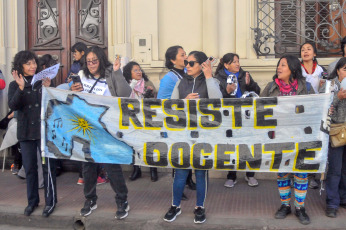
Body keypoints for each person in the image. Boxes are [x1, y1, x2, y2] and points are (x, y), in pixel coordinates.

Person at [70, 46, 132, 219]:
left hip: (107, 127)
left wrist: (118, 73)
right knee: (88, 165)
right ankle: (90, 199)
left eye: (94, 61)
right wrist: (72, 91)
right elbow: (73, 99)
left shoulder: (111, 73)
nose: (91, 64)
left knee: (111, 165)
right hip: (87, 126)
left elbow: (126, 94)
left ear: (101, 60)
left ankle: (122, 200)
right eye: (88, 61)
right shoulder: (81, 75)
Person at [163, 51, 222, 224]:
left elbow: (218, 101)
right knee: (180, 172)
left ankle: (200, 207)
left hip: (204, 136)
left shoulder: (212, 81)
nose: (187, 66)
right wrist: (184, 101)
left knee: (201, 173)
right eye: (186, 62)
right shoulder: (181, 82)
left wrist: (209, 76)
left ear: (202, 65)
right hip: (183, 134)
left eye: (191, 63)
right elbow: (171, 107)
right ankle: (175, 206)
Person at [261, 55, 315, 225]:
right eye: (278, 65)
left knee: (300, 172)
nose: (279, 67)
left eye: (283, 65)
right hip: (279, 137)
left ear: (292, 68)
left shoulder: (306, 87)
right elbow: (259, 107)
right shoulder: (270, 88)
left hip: (300, 137)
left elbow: (315, 108)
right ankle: (285, 205)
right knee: (283, 172)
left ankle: (300, 207)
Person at [8, 50, 57, 217]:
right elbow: (13, 106)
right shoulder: (14, 84)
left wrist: (49, 89)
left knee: (47, 168)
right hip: (26, 132)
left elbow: (54, 105)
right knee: (29, 169)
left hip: (43, 131)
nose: (32, 66)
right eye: (28, 63)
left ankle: (50, 202)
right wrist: (21, 88)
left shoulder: (42, 81)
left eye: (34, 63)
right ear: (20, 66)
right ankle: (32, 201)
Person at [214, 53, 261, 188]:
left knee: (249, 144)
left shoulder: (244, 74)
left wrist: (250, 83)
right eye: (234, 62)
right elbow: (215, 99)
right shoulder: (218, 78)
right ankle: (231, 176)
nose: (237, 64)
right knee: (231, 145)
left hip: (247, 116)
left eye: (238, 61)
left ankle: (250, 174)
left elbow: (257, 91)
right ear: (226, 64)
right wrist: (226, 92)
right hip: (229, 117)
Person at [157, 45, 196, 198]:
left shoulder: (187, 73)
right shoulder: (169, 78)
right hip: (175, 121)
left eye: (185, 53)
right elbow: (161, 102)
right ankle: (178, 186)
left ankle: (188, 180)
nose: (186, 57)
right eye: (182, 55)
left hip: (188, 120)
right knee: (178, 154)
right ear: (173, 60)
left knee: (189, 151)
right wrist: (182, 101)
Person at [122, 61, 158, 182]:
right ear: (129, 73)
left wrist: (150, 94)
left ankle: (153, 170)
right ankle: (136, 169)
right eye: (135, 70)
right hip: (133, 120)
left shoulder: (147, 83)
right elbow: (124, 97)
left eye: (139, 69)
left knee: (150, 145)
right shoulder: (126, 85)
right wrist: (132, 84)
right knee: (134, 145)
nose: (139, 72)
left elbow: (156, 101)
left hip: (147, 118)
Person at [300, 42, 325, 189]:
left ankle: (312, 176)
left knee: (314, 144)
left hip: (316, 111)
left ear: (315, 53)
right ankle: (295, 174)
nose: (305, 52)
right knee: (300, 143)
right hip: (301, 111)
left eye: (309, 49)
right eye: (303, 50)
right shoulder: (297, 69)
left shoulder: (321, 70)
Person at [325, 57, 346, 218]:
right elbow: (325, 108)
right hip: (336, 131)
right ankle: (332, 202)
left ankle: (343, 198)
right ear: (338, 70)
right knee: (335, 169)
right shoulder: (330, 85)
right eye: (345, 69)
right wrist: (337, 97)